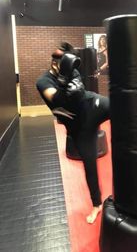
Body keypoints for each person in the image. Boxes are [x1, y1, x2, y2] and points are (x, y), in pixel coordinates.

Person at [36, 43, 110, 224]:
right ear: (55, 65)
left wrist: (70, 79)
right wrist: (62, 80)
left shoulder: (74, 71)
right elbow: (57, 100)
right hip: (79, 128)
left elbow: (79, 96)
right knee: (89, 165)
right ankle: (96, 204)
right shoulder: (44, 82)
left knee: (124, 107)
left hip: (93, 106)